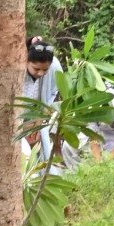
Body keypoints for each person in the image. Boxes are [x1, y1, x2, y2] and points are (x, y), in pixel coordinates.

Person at [23, 37, 71, 168]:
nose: (41, 73)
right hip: (12, 120)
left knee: (38, 156)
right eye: (36, 68)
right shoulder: (16, 71)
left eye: (45, 70)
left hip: (34, 117)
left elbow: (52, 91)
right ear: (26, 61)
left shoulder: (54, 66)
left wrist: (39, 120)